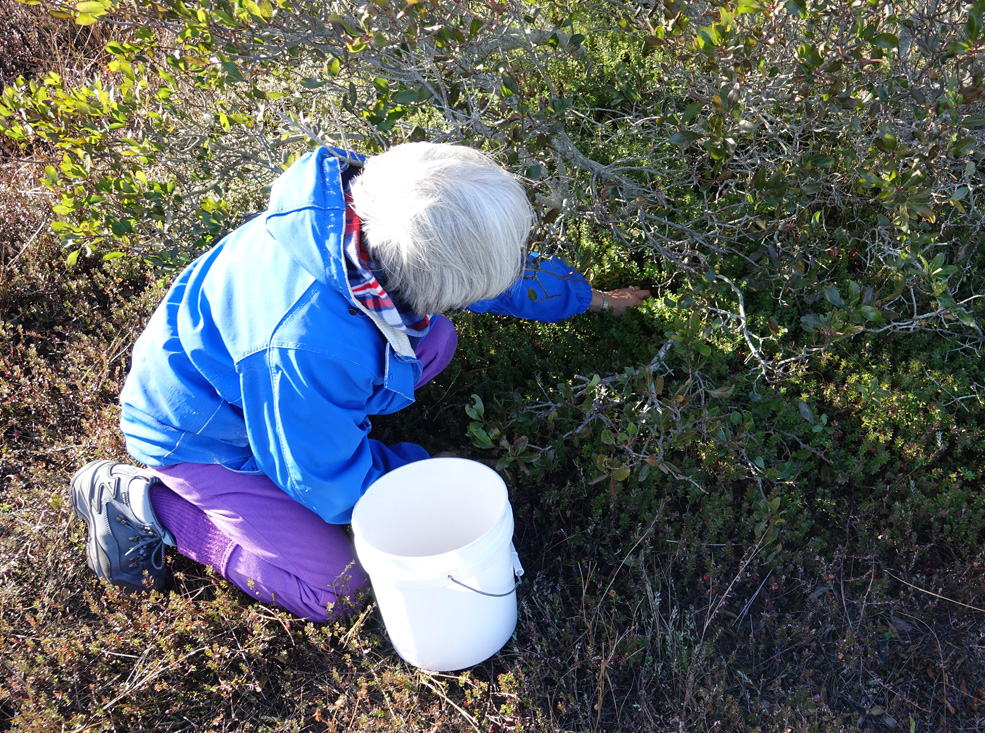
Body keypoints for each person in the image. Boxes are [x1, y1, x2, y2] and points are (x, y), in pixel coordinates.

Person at [69, 142, 650, 622]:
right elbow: (317, 478)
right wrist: (417, 486)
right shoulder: (303, 347)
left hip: (278, 389)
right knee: (338, 587)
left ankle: (345, 429)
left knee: (436, 339)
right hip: (205, 437)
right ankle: (146, 505)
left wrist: (593, 300)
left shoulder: (388, 211)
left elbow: (493, 270)